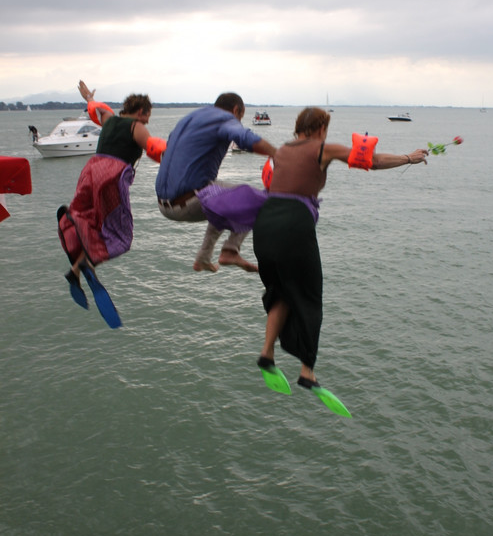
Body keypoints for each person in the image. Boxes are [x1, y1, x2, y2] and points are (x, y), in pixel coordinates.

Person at [252, 106, 428, 394]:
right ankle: (307, 370)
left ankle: (266, 353)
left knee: (280, 291)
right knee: (309, 296)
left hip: (264, 225)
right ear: (321, 128)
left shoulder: (281, 150)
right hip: (293, 225)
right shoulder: (323, 148)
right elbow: (371, 161)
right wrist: (410, 157)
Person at [58, 81, 164, 325]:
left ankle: (77, 268)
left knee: (92, 221)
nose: (147, 122)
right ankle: (86, 262)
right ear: (141, 112)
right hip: (111, 178)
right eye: (147, 117)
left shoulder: (109, 119)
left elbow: (97, 109)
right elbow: (152, 148)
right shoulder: (137, 127)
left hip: (90, 172)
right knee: (120, 235)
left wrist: (88, 98)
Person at [155, 92, 276, 273]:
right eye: (240, 118)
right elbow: (245, 139)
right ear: (236, 110)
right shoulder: (224, 119)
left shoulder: (189, 119)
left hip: (164, 204)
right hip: (188, 201)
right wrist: (280, 155)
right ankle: (231, 250)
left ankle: (204, 257)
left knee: (222, 196)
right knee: (258, 200)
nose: (238, 122)